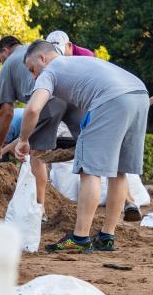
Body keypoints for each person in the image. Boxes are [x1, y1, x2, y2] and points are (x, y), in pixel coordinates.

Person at [15, 40, 149, 252]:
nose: (33, 76)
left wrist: (23, 140)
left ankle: (80, 238)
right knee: (119, 171)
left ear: (42, 58)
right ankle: (107, 237)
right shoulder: (80, 63)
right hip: (140, 94)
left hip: (110, 100)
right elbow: (77, 115)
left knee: (89, 170)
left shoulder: (50, 72)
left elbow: (33, 109)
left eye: (32, 69)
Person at [44, 30, 144, 222]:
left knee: (91, 168)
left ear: (69, 46)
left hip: (100, 110)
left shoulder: (85, 57)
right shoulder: (60, 62)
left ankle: (82, 235)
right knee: (117, 167)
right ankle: (111, 230)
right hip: (130, 97)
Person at [0, 36, 81, 218]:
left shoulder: (8, 67)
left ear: (6, 51)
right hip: (73, 95)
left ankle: (40, 210)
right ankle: (128, 201)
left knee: (37, 155)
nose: (1, 64)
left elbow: (6, 113)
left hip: (46, 100)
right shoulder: (39, 50)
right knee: (90, 147)